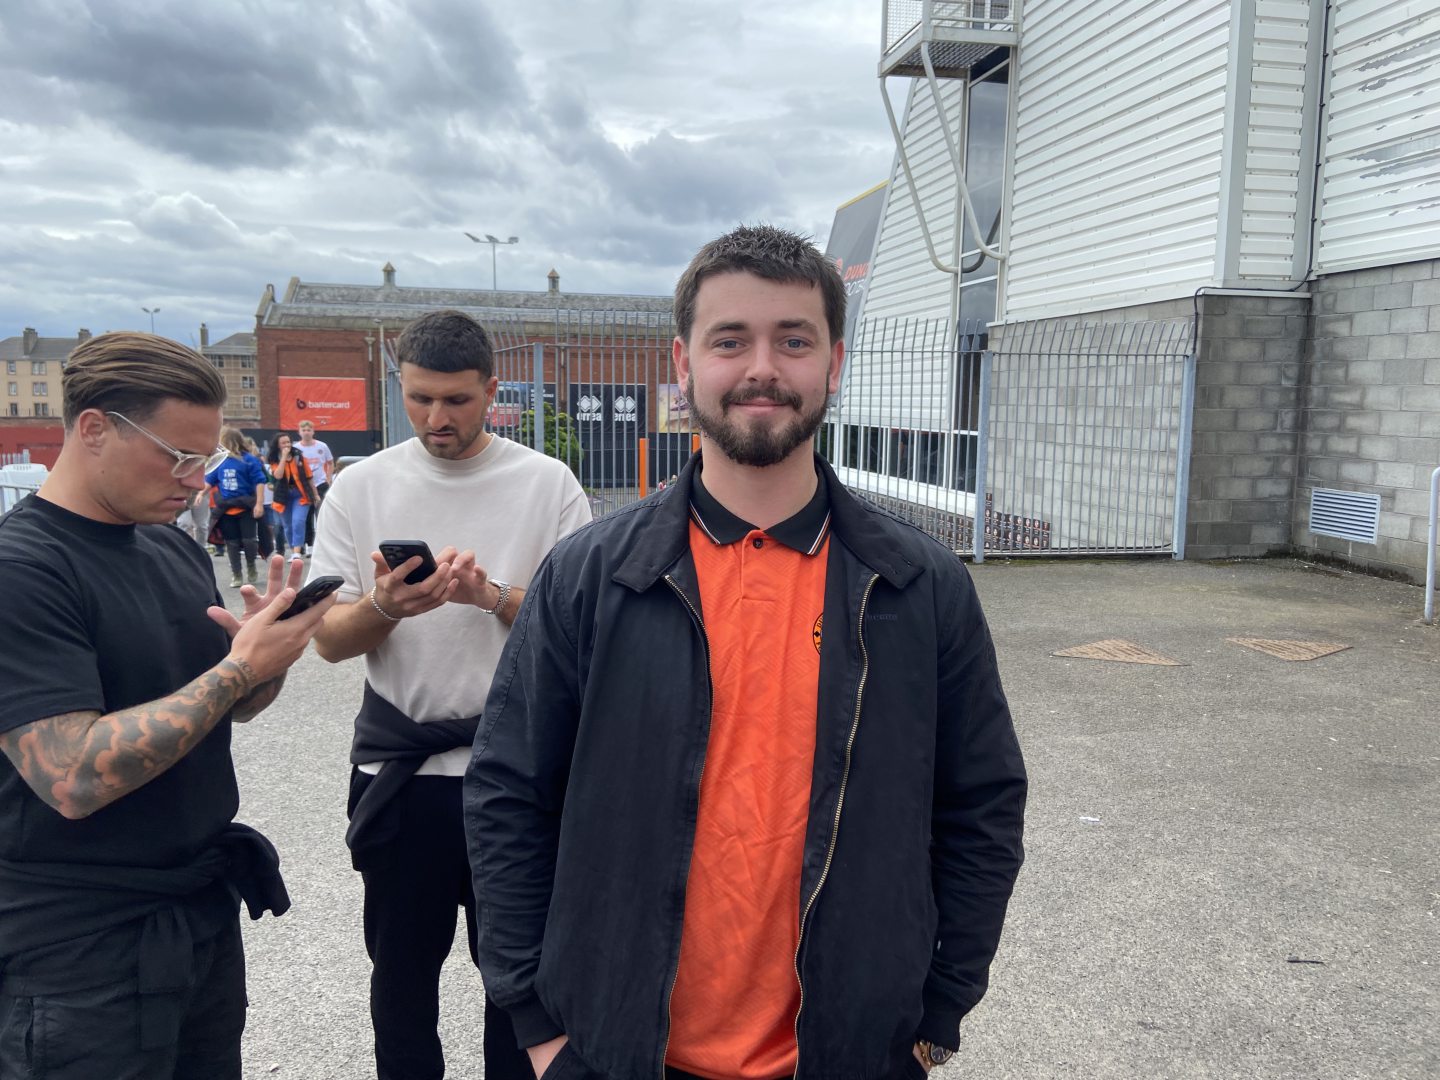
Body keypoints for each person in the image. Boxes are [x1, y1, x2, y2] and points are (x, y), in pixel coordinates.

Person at [465, 225, 1027, 1080]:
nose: (763, 367)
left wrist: (939, 1008)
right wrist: (539, 1023)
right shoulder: (591, 576)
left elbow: (982, 805)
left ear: (833, 365)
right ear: (684, 367)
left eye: (792, 340)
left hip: (848, 1056)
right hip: (621, 1054)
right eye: (730, 340)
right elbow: (508, 792)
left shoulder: (920, 587)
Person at [0, 331, 337, 1080]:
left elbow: (222, 712)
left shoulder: (169, 548)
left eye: (206, 459)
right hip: (76, 951)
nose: (195, 480)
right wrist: (235, 670)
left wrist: (263, 662)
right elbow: (72, 776)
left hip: (197, 915)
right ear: (93, 429)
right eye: (177, 455)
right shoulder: (24, 570)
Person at [309, 309, 591, 1080]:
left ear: (492, 391)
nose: (438, 418)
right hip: (403, 777)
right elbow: (328, 641)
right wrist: (382, 609)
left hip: (519, 777)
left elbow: (585, 632)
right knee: (401, 983)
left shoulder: (546, 484)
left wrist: (491, 596)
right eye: (420, 398)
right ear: (400, 384)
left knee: (521, 990)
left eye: (458, 401)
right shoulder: (359, 486)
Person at [205, 427, 267, 587]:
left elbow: (260, 481)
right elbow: (210, 480)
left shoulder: (249, 460)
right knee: (231, 543)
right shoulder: (220, 461)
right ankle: (237, 574)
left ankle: (251, 565)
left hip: (246, 507)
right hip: (226, 509)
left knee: (249, 541)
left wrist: (259, 504)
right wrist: (199, 494)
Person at [267, 432, 317, 558]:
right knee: (288, 526)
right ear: (278, 446)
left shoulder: (298, 456)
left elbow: (309, 476)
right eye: (283, 443)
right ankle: (293, 548)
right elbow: (278, 475)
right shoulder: (274, 458)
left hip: (300, 494)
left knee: (298, 521)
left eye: (288, 442)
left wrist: (315, 494)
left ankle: (296, 552)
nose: (287, 445)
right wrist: (283, 458)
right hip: (283, 496)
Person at [296, 419, 334, 555]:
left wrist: (328, 478)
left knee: (322, 514)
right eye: (304, 430)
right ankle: (309, 545)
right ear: (299, 432)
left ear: (313, 431)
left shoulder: (322, 446)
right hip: (304, 487)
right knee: (306, 516)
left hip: (320, 484)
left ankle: (324, 544)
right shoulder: (297, 449)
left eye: (309, 430)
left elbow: (330, 462)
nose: (306, 432)